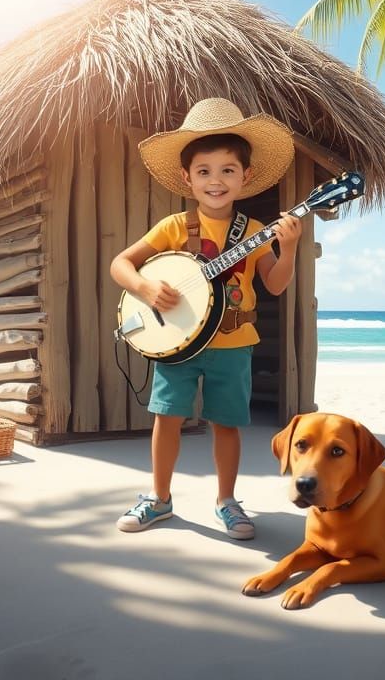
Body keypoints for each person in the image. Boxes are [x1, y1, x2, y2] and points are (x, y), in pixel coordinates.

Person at [110, 97, 302, 540]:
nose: (216, 181)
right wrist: (144, 288)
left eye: (227, 171)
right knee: (167, 417)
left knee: (227, 424)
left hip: (234, 344)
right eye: (204, 172)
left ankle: (227, 501)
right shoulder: (175, 226)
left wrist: (288, 247)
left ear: (245, 176)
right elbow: (121, 263)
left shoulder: (254, 232)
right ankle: (158, 499)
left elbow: (273, 285)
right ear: (187, 178)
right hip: (176, 341)